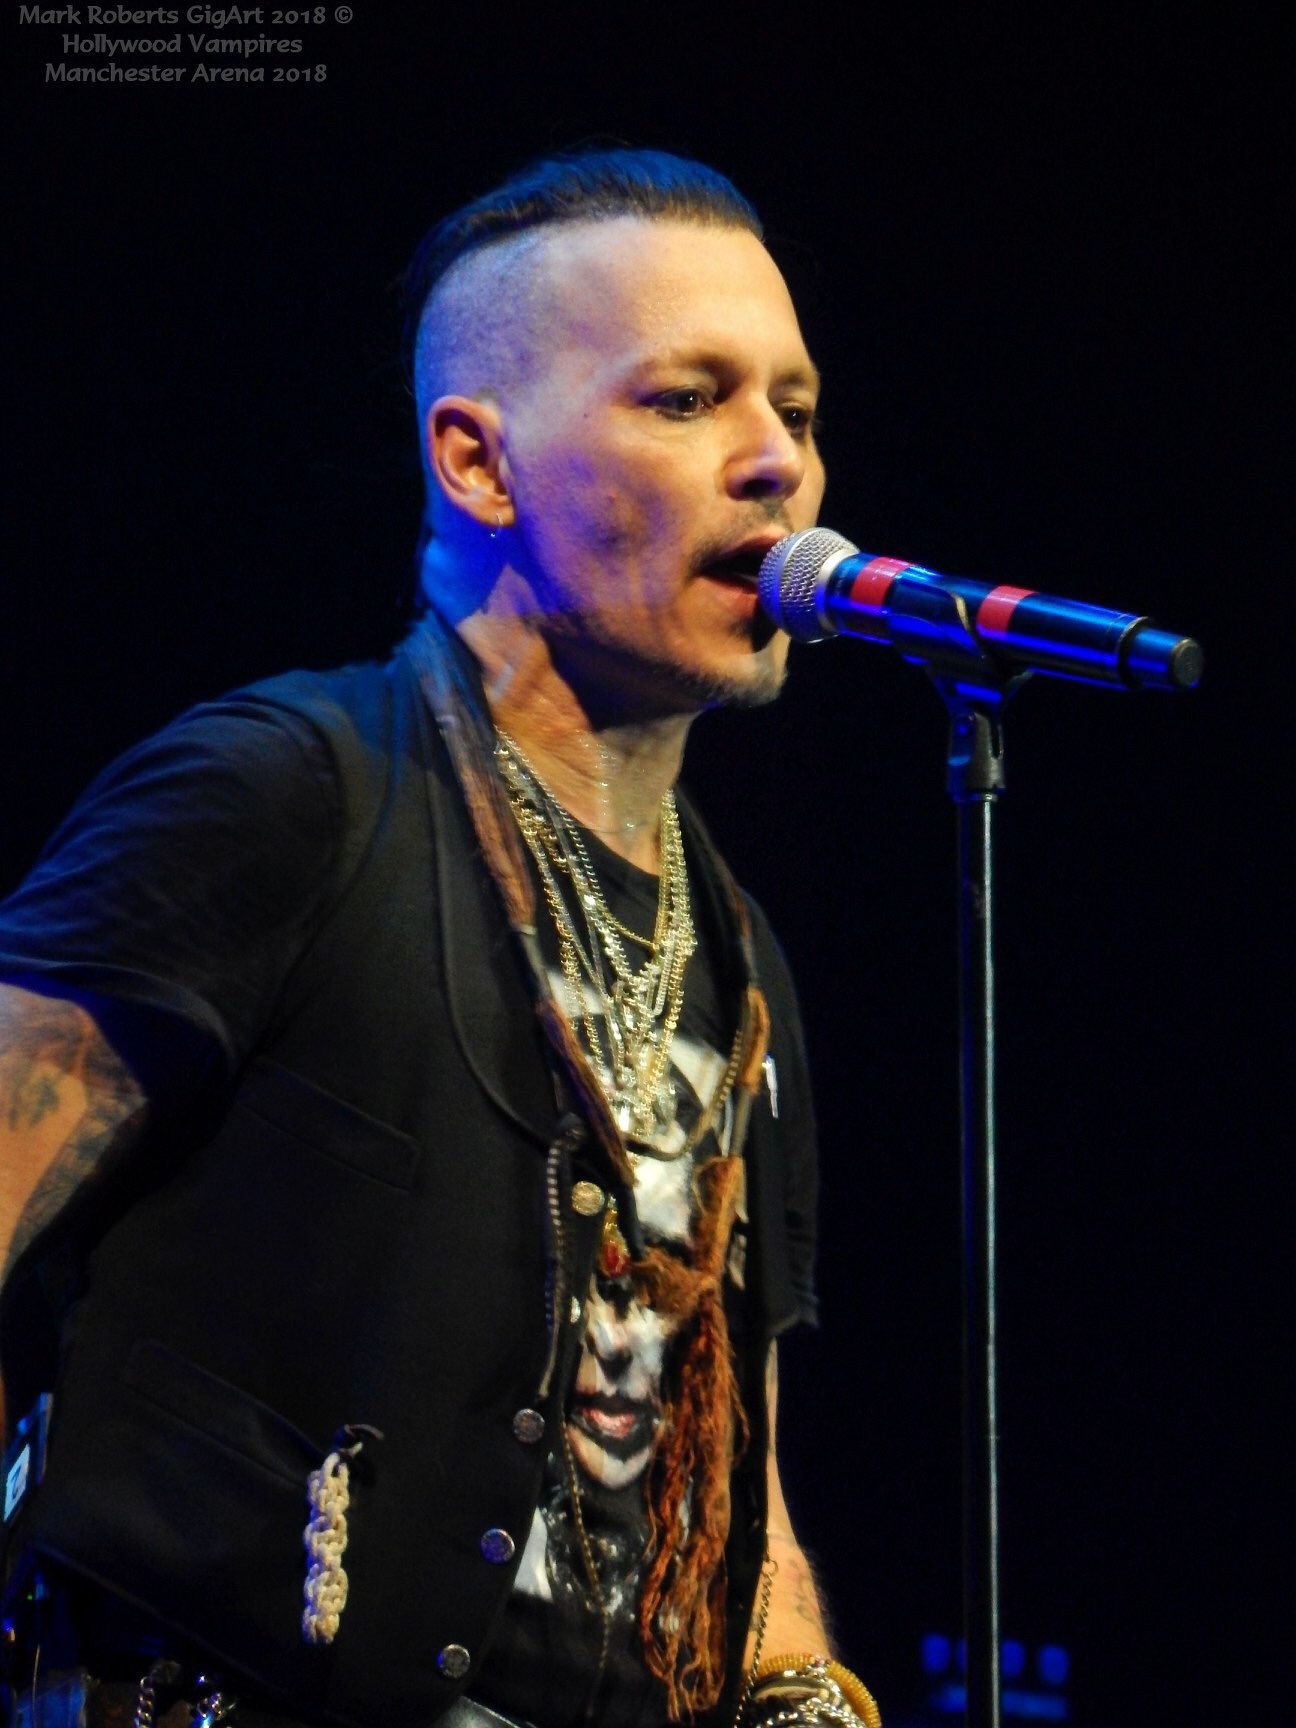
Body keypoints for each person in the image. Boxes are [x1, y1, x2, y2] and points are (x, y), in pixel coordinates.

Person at [0, 149, 881, 1728]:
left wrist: (803, 1692)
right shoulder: (281, 795)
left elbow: (732, 1479)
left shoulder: (741, 961)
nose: (776, 465)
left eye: (798, 411)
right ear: (478, 463)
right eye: (687, 400)